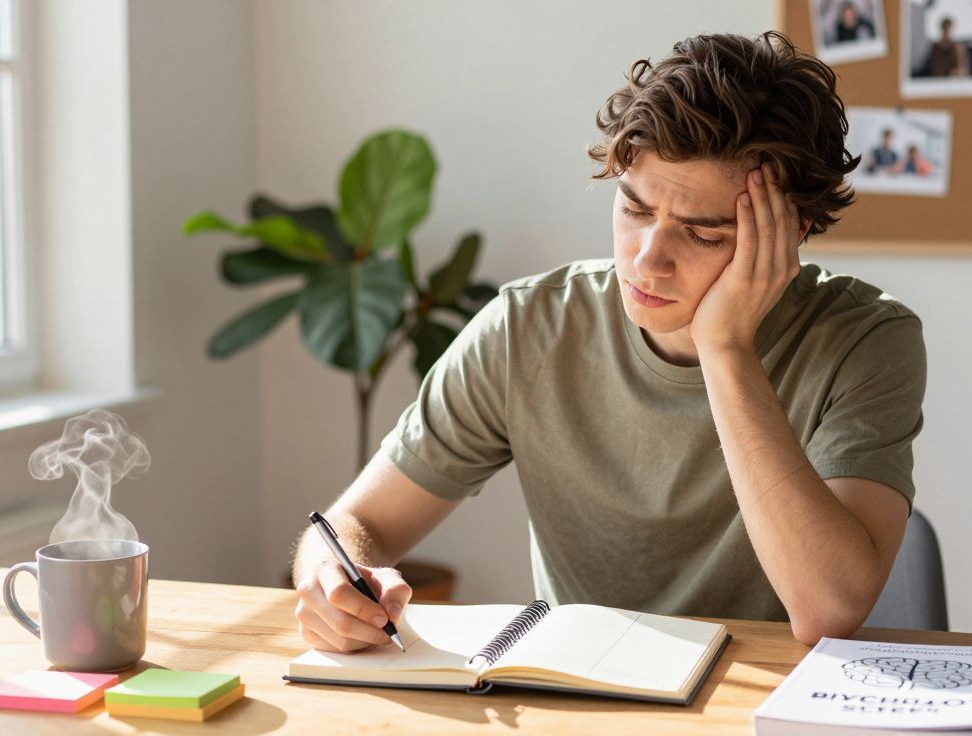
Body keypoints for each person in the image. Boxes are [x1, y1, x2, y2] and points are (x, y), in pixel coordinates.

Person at [291, 31, 926, 652]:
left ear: (791, 231)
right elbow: (357, 525)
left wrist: (726, 347)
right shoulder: (527, 328)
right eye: (635, 209)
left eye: (703, 235)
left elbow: (828, 609)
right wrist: (329, 579)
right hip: (577, 704)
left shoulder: (865, 340)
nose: (648, 261)